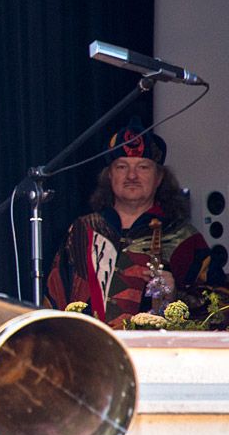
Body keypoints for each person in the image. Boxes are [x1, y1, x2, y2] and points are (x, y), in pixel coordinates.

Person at [46, 118, 224, 328]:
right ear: (109, 175)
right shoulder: (82, 231)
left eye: (143, 167)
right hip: (88, 351)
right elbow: (53, 297)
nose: (132, 175)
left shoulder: (183, 238)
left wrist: (177, 294)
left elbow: (220, 306)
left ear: (159, 178)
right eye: (122, 166)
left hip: (155, 355)